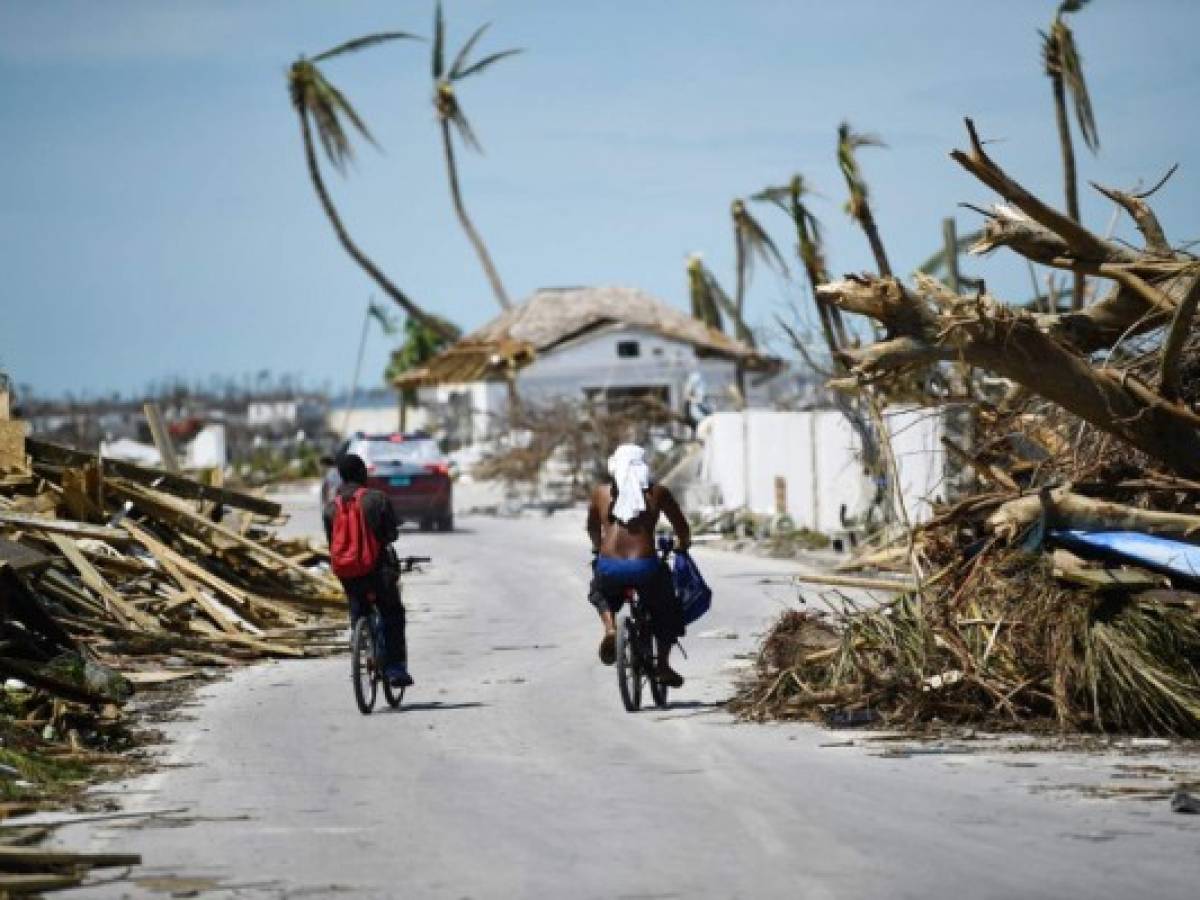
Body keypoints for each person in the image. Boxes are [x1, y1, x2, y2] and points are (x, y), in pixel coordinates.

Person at [586, 444, 690, 688]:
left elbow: (592, 527)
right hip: (645, 567)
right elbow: (681, 528)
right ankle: (662, 666)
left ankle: (611, 629)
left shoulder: (601, 493)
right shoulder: (658, 493)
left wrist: (597, 546)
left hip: (609, 566)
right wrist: (682, 545)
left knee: (600, 592)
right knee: (666, 609)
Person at [322, 453, 413, 687]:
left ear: (341, 476)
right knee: (392, 613)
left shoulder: (331, 508)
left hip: (348, 573)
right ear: (362, 473)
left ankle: (359, 639)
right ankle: (394, 668)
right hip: (377, 571)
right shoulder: (377, 499)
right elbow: (391, 534)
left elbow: (332, 543)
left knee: (358, 607)